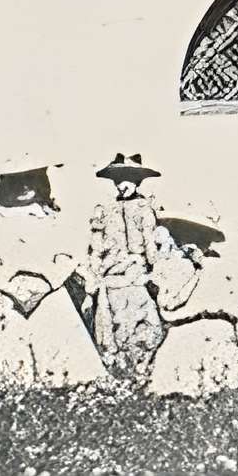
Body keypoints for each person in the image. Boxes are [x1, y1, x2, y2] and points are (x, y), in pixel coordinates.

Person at [0, 166, 107, 392]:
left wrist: (48, 283)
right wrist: (9, 286)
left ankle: (67, 386)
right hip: (8, 296)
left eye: (30, 180)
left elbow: (67, 256)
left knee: (62, 356)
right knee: (2, 354)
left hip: (49, 295)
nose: (24, 187)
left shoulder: (53, 221)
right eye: (17, 181)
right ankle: (1, 385)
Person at [145, 213, 238, 399]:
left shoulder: (190, 268)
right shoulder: (189, 268)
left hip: (201, 334)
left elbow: (168, 305)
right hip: (201, 333)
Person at [84, 153, 168, 388]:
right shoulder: (104, 210)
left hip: (137, 277)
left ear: (138, 181)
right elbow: (95, 247)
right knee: (112, 327)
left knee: (144, 325)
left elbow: (151, 245)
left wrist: (155, 271)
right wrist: (94, 275)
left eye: (128, 179)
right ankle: (117, 377)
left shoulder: (145, 209)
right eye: (117, 180)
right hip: (111, 278)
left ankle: (143, 374)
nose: (122, 185)